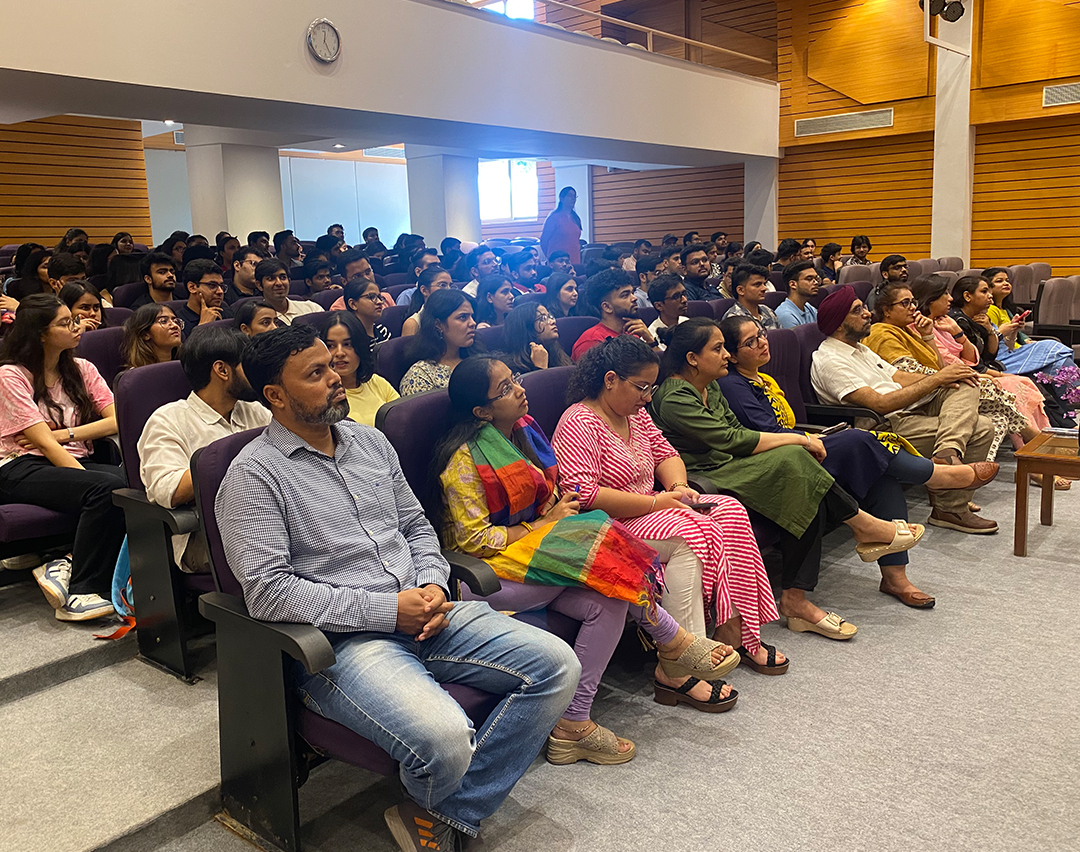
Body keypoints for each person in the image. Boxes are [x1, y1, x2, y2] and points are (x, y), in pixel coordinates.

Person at [216, 324, 580, 851]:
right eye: (315, 373)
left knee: (558, 666)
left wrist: (433, 583)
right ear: (275, 395)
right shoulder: (253, 476)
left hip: (429, 610)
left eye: (332, 365)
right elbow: (268, 592)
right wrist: (388, 610)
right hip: (344, 643)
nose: (335, 377)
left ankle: (440, 812)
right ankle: (447, 810)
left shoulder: (370, 442)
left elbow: (416, 526)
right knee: (446, 739)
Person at [435, 358, 742, 749]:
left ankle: (572, 724)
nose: (520, 389)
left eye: (515, 379)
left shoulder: (525, 430)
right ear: (482, 411)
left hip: (537, 557)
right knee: (598, 536)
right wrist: (542, 525)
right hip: (486, 577)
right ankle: (672, 639)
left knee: (609, 598)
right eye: (505, 389)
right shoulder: (463, 460)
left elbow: (551, 496)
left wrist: (551, 518)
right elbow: (474, 540)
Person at [651, 318, 929, 635]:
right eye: (718, 349)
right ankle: (864, 527)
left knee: (801, 472)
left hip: (734, 463)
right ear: (692, 359)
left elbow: (736, 431)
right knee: (798, 460)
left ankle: (800, 596)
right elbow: (729, 439)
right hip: (709, 474)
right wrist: (799, 439)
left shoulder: (710, 385)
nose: (726, 355)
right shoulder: (675, 397)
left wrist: (799, 442)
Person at [717, 315, 998, 609]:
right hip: (779, 459)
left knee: (882, 474)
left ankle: (895, 578)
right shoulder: (733, 386)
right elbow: (766, 433)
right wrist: (808, 439)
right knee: (858, 439)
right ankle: (939, 476)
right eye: (751, 342)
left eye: (761, 334)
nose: (763, 342)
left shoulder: (763, 378)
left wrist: (811, 438)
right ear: (732, 355)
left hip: (797, 445)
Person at [551, 335, 785, 673]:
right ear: (610, 379)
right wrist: (656, 502)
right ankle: (683, 659)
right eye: (641, 387)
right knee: (692, 533)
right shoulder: (579, 421)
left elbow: (666, 454)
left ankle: (736, 630)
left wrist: (678, 487)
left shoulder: (635, 414)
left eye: (652, 388)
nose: (647, 398)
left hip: (652, 506)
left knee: (729, 510)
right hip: (607, 522)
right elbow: (585, 495)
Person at [810, 286, 997, 534]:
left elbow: (897, 376)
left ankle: (947, 453)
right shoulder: (829, 360)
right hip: (881, 425)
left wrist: (944, 377)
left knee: (964, 382)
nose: (867, 313)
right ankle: (950, 508)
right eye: (857, 311)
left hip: (909, 409)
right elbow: (879, 403)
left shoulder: (860, 348)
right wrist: (936, 379)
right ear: (838, 325)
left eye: (863, 307)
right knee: (982, 427)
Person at [0, 294, 124, 621]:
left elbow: (117, 419)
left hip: (70, 456)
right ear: (41, 334)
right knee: (106, 488)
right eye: (65, 323)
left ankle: (65, 562)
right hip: (18, 465)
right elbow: (44, 445)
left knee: (134, 484)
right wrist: (87, 478)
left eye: (74, 320)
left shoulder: (82, 368)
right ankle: (81, 592)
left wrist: (67, 434)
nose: (76, 327)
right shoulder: (11, 375)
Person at [138, 325, 270, 572]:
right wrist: (228, 460)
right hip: (207, 534)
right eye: (247, 365)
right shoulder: (168, 420)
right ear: (222, 370)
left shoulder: (253, 410)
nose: (257, 372)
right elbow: (169, 490)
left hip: (266, 515)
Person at [866, 279, 1039, 461]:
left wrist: (928, 335)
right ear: (886, 310)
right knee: (977, 385)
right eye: (905, 303)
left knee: (995, 419)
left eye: (913, 302)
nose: (912, 307)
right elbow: (908, 371)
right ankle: (1031, 440)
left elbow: (942, 365)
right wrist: (952, 375)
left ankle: (966, 467)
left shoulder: (913, 329)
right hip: (913, 399)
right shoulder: (882, 332)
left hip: (935, 390)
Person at [911, 275, 1055, 464]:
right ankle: (1037, 447)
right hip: (947, 386)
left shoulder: (945, 322)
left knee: (1014, 394)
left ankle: (1037, 447)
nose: (950, 298)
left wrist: (958, 333)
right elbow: (951, 364)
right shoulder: (923, 327)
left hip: (970, 374)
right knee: (1007, 390)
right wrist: (989, 373)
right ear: (930, 299)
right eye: (945, 294)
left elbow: (973, 358)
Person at [982, 267, 1079, 398]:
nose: (1006, 283)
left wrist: (1016, 331)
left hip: (1016, 349)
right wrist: (1003, 332)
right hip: (1008, 356)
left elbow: (1010, 340)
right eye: (999, 281)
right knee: (1051, 345)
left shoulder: (1006, 309)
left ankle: (1072, 395)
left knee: (1059, 360)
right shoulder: (990, 310)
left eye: (1007, 280)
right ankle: (1073, 394)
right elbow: (995, 343)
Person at [319, 311, 399, 426]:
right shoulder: (322, 396)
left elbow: (401, 421)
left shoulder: (377, 382)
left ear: (360, 346)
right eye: (331, 346)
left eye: (347, 344)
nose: (340, 353)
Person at [400, 289, 481, 396]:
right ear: (438, 325)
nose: (473, 323)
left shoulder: (476, 357)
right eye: (463, 317)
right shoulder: (420, 376)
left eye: (472, 317)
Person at [571, 269, 658, 361]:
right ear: (607, 307)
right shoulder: (592, 342)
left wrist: (650, 341)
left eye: (632, 293)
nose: (634, 298)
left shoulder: (633, 332)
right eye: (625, 295)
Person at [500, 303, 572, 374]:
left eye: (550, 317)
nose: (552, 321)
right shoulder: (511, 369)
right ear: (526, 328)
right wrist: (540, 368)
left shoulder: (555, 352)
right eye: (542, 319)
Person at [255, 258, 323, 325]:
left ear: (289, 281)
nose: (279, 283)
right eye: (270, 279)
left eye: (283, 278)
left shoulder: (312, 308)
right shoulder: (258, 319)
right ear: (259, 285)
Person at [121, 303, 183, 371]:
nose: (175, 325)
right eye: (163, 321)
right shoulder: (135, 375)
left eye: (175, 321)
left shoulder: (185, 368)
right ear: (145, 334)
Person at [722, 264, 780, 329]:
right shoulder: (734, 320)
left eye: (764, 284)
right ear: (740, 290)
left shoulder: (768, 311)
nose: (764, 288)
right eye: (757, 284)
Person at [402, 265, 454, 336]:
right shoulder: (413, 323)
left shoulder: (455, 315)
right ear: (424, 290)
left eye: (450, 286)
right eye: (442, 285)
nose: (449, 290)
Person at [343, 274, 391, 347]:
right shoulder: (347, 338)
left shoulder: (381, 330)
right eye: (371, 297)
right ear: (353, 304)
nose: (379, 302)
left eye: (379, 297)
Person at [540, 186, 582, 264]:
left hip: (575, 259)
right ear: (562, 198)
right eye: (570, 196)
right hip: (558, 260)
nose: (573, 199)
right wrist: (550, 258)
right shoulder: (553, 218)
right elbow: (544, 241)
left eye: (574, 196)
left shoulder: (576, 218)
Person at [774, 259, 820, 328]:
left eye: (816, 279)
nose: (816, 282)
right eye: (809, 279)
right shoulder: (786, 315)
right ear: (793, 284)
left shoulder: (807, 306)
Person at [646, 275, 688, 346]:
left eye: (684, 294)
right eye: (676, 297)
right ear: (659, 306)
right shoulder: (652, 338)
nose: (684, 300)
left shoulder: (686, 322)